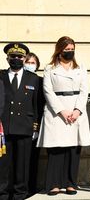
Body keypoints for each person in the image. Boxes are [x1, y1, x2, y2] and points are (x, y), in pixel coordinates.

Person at [36, 37, 90, 195]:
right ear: (59, 50)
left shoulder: (80, 67)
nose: (69, 52)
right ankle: (53, 184)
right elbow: (47, 91)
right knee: (56, 149)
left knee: (73, 149)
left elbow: (84, 91)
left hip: (76, 111)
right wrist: (62, 111)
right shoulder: (50, 68)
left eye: (72, 49)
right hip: (56, 113)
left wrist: (77, 110)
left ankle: (70, 183)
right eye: (66, 49)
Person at [0, 43, 41, 200]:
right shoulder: (1, 76)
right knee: (3, 164)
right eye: (13, 56)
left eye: (20, 57)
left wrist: (35, 127)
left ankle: (20, 194)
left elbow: (36, 104)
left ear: (24, 59)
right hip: (4, 128)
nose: (16, 59)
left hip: (25, 127)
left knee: (22, 165)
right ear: (7, 58)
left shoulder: (34, 78)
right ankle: (2, 194)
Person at [24, 52, 45, 196]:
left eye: (33, 63)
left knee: (32, 158)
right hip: (17, 125)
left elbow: (40, 104)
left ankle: (30, 187)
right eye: (28, 62)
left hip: (34, 124)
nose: (30, 65)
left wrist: (36, 126)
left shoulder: (40, 81)